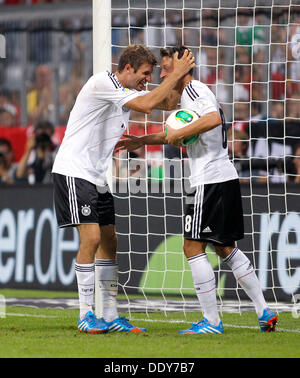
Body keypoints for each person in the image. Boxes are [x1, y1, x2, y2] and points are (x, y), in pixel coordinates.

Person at [117, 45, 278, 334]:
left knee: (192, 246)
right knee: (225, 246)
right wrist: (143, 141)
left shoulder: (195, 91)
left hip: (210, 180)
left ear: (183, 68)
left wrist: (178, 133)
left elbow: (213, 119)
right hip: (223, 176)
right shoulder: (190, 98)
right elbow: (177, 134)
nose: (164, 75)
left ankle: (212, 321)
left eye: (167, 69)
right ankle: (264, 310)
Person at [51, 44, 195, 334]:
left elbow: (165, 102)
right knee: (90, 238)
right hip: (74, 170)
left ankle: (110, 315)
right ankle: (85, 314)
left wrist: (181, 78)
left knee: (110, 242)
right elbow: (146, 104)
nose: (147, 80)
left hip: (97, 177)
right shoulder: (102, 82)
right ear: (127, 68)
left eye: (152, 75)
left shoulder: (127, 92)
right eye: (145, 74)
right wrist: (173, 74)